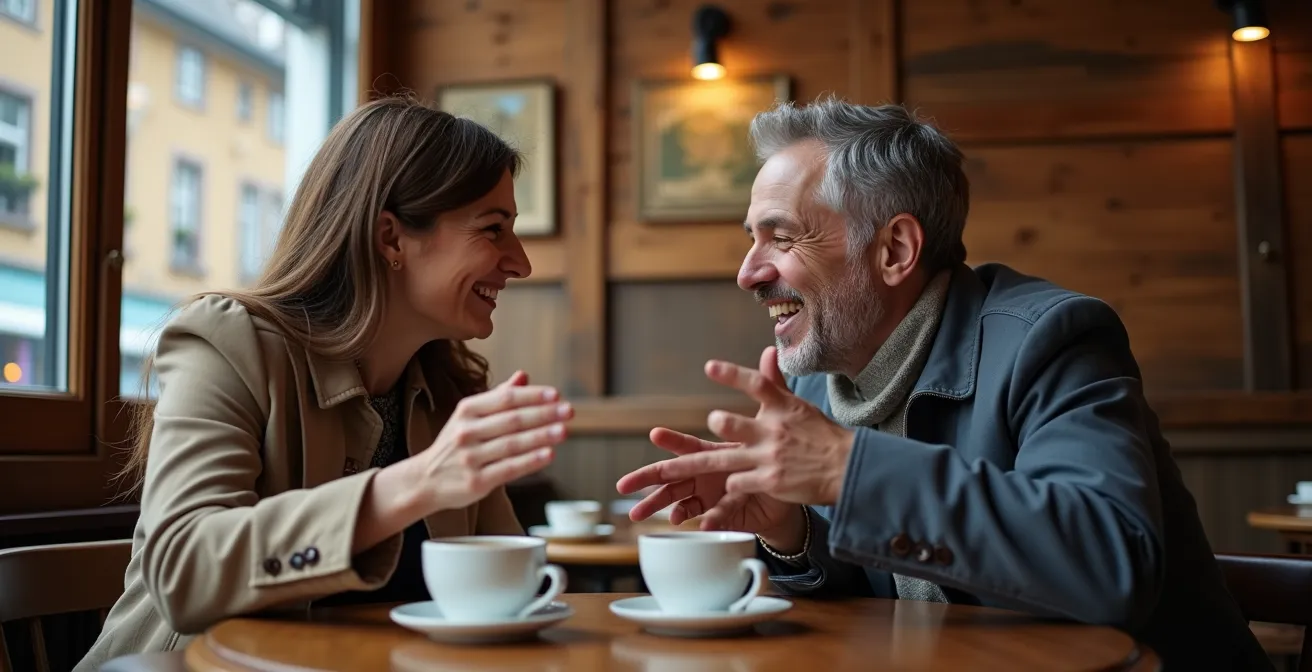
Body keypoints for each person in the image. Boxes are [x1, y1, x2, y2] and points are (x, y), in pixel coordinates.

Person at [616, 96, 1273, 671]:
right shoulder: (821, 385)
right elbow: (886, 593)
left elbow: (1110, 565)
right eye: (751, 240)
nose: (748, 273)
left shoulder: (1051, 340)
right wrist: (795, 534)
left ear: (895, 250)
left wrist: (851, 471)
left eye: (780, 238)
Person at [76, 96, 570, 670]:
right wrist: (414, 484)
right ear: (390, 238)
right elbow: (184, 573)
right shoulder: (226, 343)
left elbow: (510, 591)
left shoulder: (450, 391)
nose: (521, 262)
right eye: (494, 229)